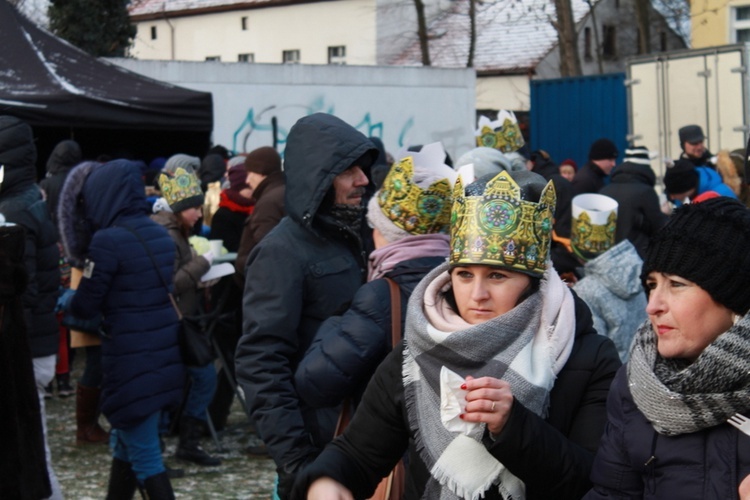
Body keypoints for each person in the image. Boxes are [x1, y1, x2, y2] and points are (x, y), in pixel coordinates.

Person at [292, 169, 622, 500]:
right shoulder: (418, 351)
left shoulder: (587, 358)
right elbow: (357, 454)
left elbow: (594, 480)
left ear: (532, 281)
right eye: (464, 274)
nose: (476, 294)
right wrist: (327, 481)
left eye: (497, 275)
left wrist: (513, 427)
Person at [235, 112, 378, 500]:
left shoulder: (360, 234)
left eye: (363, 169)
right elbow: (261, 361)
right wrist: (298, 463)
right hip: (319, 445)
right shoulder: (280, 251)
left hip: (363, 443)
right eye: (349, 170)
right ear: (319, 175)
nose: (363, 180)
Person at [584, 197, 750, 499]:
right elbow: (611, 492)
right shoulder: (636, 381)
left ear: (735, 298)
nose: (653, 306)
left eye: (676, 284)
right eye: (651, 284)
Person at [294, 144, 457, 410]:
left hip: (394, 440)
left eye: (374, 225)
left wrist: (338, 318)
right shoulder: (463, 281)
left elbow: (314, 383)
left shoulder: (381, 295)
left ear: (385, 232)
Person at [61, 159, 184, 498]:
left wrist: (67, 299)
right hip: (160, 357)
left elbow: (86, 305)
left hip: (130, 363)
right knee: (125, 449)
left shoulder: (107, 242)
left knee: (145, 459)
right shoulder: (159, 233)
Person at [0, 115, 63, 499]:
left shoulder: (14, 212)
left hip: (22, 352)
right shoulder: (28, 201)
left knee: (29, 450)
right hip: (33, 345)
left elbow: (22, 291)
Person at [153, 165, 222, 467]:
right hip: (174, 324)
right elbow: (171, 282)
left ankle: (179, 443)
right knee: (199, 378)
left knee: (182, 382)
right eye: (194, 208)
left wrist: (200, 278)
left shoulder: (176, 231)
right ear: (180, 209)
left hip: (178, 322)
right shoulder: (169, 236)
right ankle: (181, 444)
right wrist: (204, 264)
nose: (199, 213)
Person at [570, 194, 647, 361]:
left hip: (613, 377)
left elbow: (593, 349)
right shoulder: (635, 270)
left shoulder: (585, 290)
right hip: (644, 367)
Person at [40, 139, 82, 399]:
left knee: (51, 318)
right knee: (68, 318)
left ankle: (50, 382)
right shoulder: (78, 182)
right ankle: (65, 380)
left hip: (49, 252)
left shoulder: (45, 183)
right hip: (71, 252)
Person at [599, 146, 668, 258]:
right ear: (646, 168)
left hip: (607, 260)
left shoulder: (604, 191)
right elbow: (660, 228)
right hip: (636, 259)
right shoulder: (646, 192)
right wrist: (665, 214)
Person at [234, 146, 285, 281]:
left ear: (261, 171)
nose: (247, 180)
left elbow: (267, 253)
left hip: (268, 286)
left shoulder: (269, 202)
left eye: (249, 173)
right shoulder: (284, 192)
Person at [209, 159, 254, 253]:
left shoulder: (258, 207)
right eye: (249, 187)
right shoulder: (223, 215)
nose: (254, 190)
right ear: (239, 188)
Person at [663, 158, 736, 207]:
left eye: (673, 193)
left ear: (685, 188)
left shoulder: (723, 196)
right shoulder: (683, 199)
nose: (671, 197)